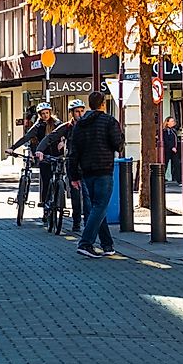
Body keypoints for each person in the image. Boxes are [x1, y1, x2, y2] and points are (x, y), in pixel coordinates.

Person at [67, 91, 125, 259]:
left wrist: (73, 176)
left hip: (86, 170)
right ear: (103, 104)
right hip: (104, 168)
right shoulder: (109, 121)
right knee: (100, 206)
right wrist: (120, 137)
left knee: (97, 208)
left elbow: (73, 152)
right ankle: (85, 243)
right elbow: (118, 145)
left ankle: (107, 244)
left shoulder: (80, 124)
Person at [35, 100, 86, 233]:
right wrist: (40, 150)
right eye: (77, 111)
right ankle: (76, 223)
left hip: (86, 163)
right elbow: (50, 137)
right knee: (75, 194)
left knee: (86, 195)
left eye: (81, 111)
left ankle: (87, 222)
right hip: (72, 163)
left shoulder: (88, 125)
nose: (79, 114)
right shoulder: (67, 127)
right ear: (71, 113)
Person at [12, 101, 58, 205]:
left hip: (56, 155)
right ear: (39, 115)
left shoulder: (57, 124)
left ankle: (58, 200)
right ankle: (45, 204)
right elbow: (26, 138)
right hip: (43, 155)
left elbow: (64, 133)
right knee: (46, 180)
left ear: (50, 113)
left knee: (58, 178)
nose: (45, 115)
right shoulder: (38, 126)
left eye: (47, 113)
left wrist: (63, 142)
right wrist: (13, 148)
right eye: (42, 113)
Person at [162, 115, 181, 184]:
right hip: (168, 150)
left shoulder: (173, 130)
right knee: (165, 164)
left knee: (177, 164)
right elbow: (166, 140)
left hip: (174, 150)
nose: (173, 122)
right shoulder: (165, 131)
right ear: (167, 122)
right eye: (172, 121)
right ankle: (162, 178)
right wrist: (172, 147)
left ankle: (179, 179)